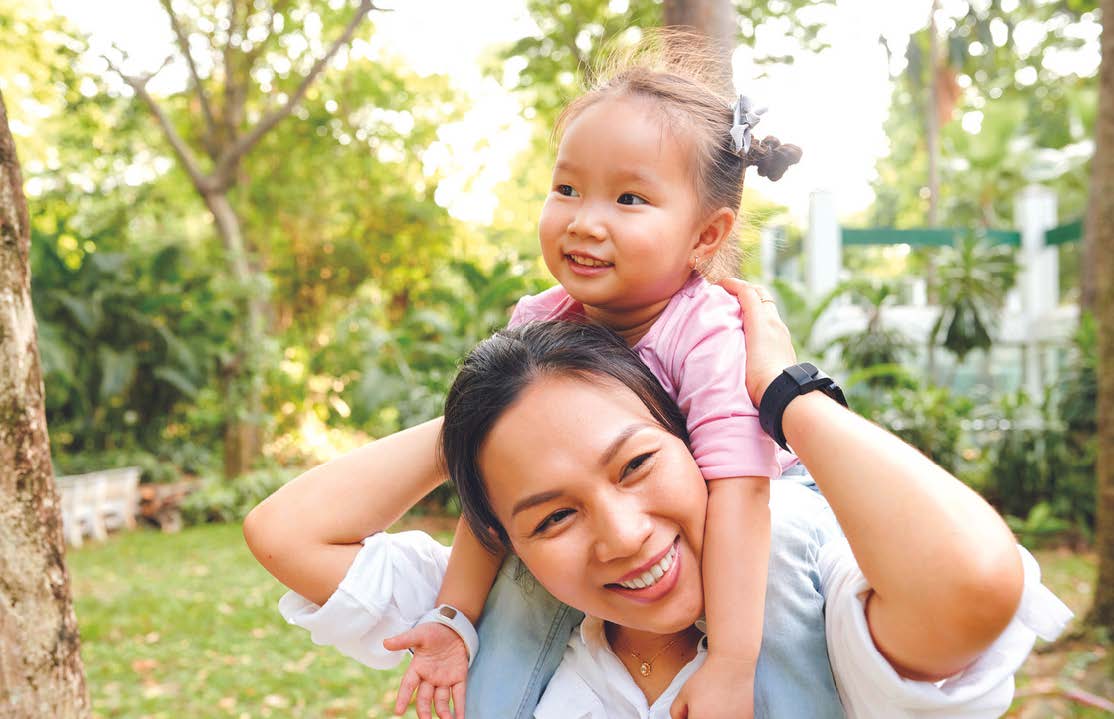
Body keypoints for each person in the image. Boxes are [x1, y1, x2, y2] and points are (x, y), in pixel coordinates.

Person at [244, 283, 1072, 719]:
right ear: (503, 538)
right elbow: (284, 531)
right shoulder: (478, 623)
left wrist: (784, 398)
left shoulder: (823, 616)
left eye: (636, 463)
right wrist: (496, 409)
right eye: (551, 515)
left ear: (697, 445)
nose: (623, 535)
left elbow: (972, 583)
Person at [378, 31, 805, 718]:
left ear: (706, 236)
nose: (585, 222)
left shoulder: (708, 333)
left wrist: (731, 660)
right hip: (619, 533)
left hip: (750, 507)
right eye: (568, 188)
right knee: (522, 601)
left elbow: (741, 498)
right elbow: (496, 486)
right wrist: (454, 615)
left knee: (791, 614)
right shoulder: (542, 320)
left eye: (629, 200)